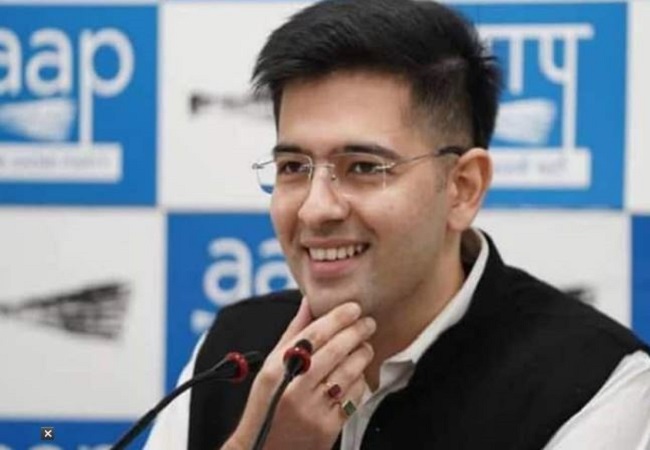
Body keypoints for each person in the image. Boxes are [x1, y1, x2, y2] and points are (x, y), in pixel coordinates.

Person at [146, 0, 650, 448]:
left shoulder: (596, 385)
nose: (315, 209)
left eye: (364, 168)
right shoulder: (232, 351)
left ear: (463, 188)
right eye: (293, 167)